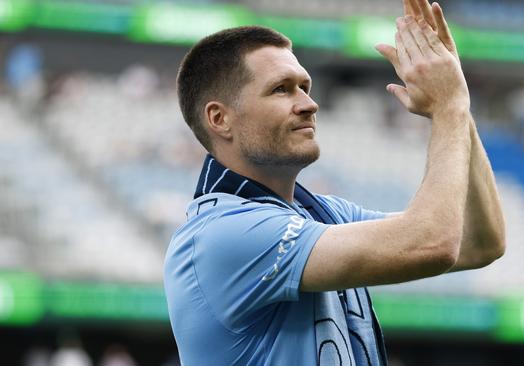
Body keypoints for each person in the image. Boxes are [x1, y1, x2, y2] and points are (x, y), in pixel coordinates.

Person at [163, 1, 506, 365]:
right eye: (282, 89)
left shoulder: (322, 214)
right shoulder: (222, 234)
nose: (309, 104)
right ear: (219, 119)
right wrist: (448, 107)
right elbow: (434, 242)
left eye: (304, 86)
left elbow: (478, 243)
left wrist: (458, 104)